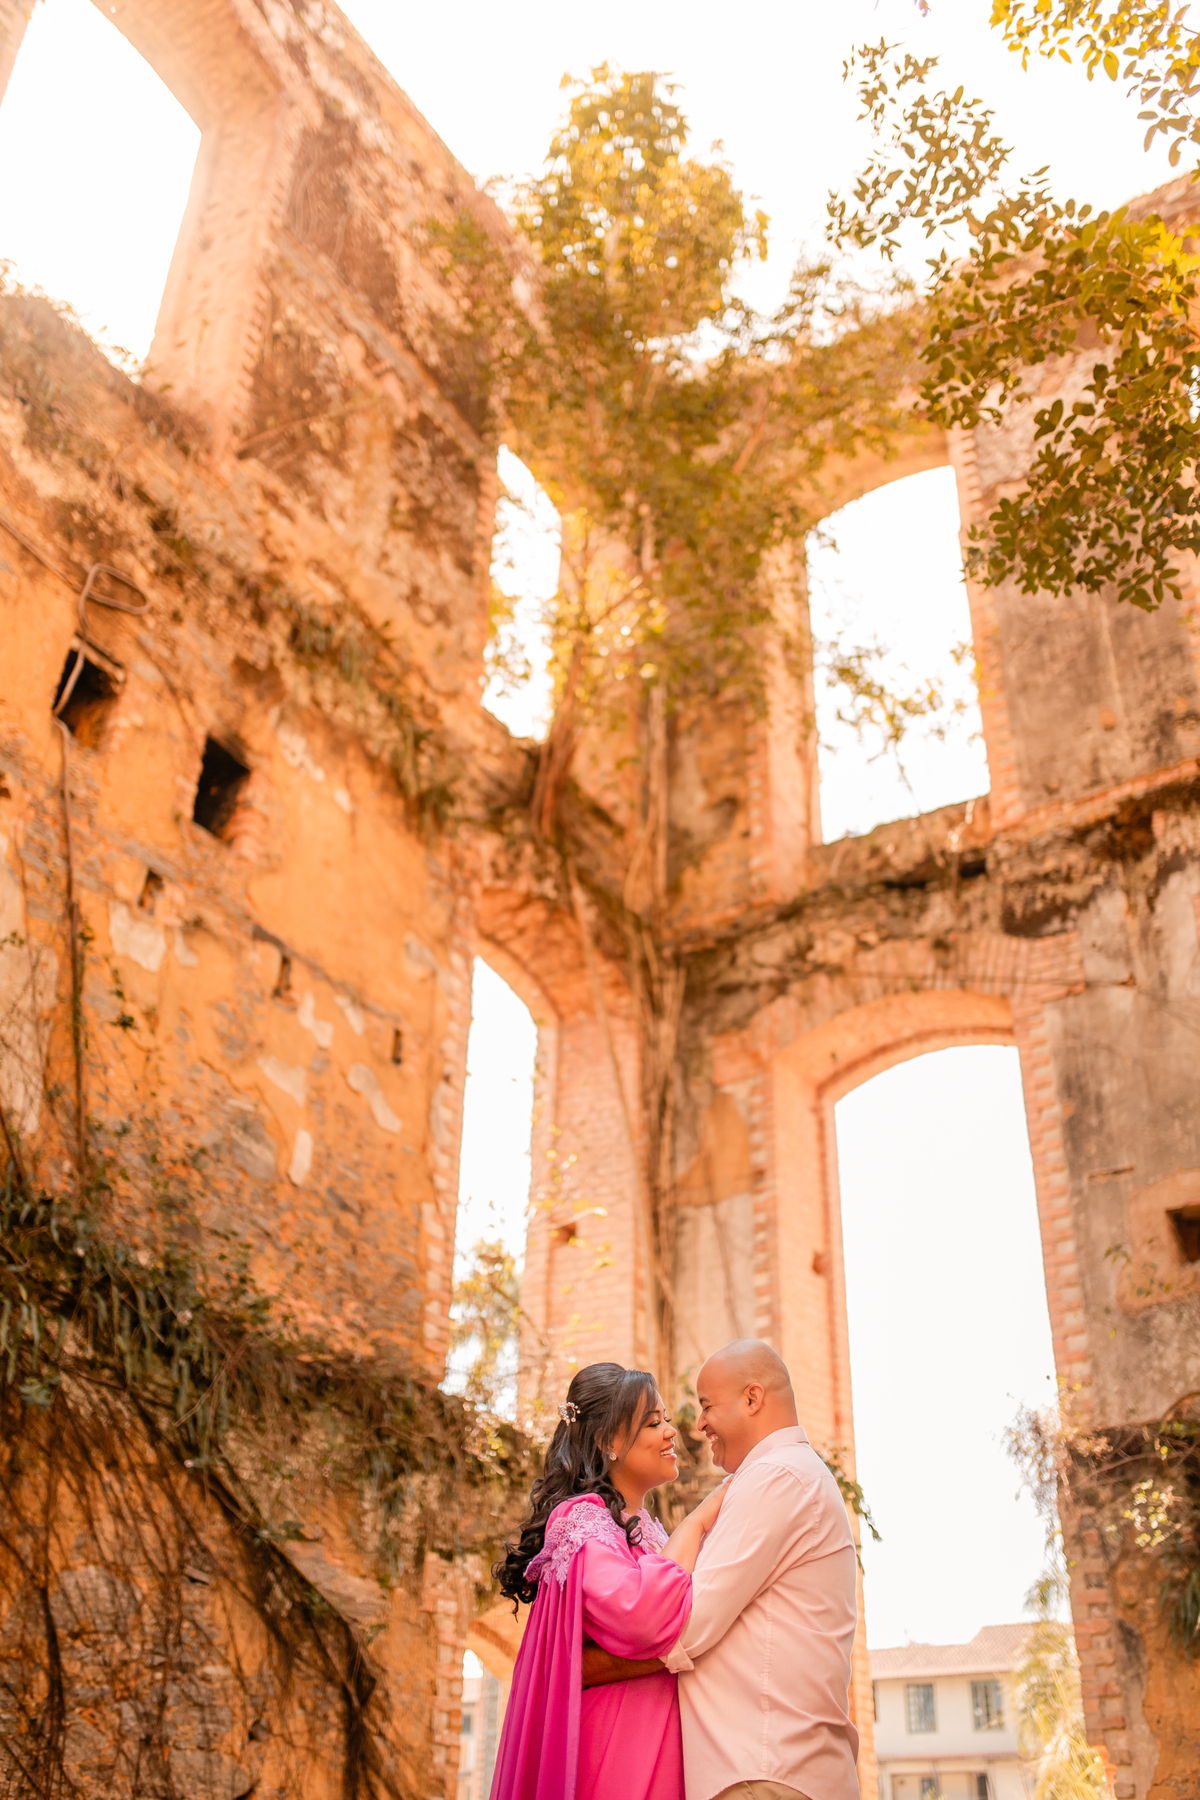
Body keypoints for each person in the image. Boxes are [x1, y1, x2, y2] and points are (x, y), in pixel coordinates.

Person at [583, 1339, 860, 1800]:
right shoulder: (774, 1476)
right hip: (762, 1767)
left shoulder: (778, 1477)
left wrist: (581, 1668)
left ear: (752, 1399)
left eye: (707, 1405)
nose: (698, 1424)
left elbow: (689, 1623)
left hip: (765, 1770)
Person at [489, 1361, 725, 1800]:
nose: (671, 1431)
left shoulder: (650, 1530)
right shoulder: (580, 1521)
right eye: (654, 1423)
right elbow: (641, 1616)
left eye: (666, 1420)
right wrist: (698, 1521)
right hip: (618, 1743)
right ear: (608, 1441)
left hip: (666, 1738)